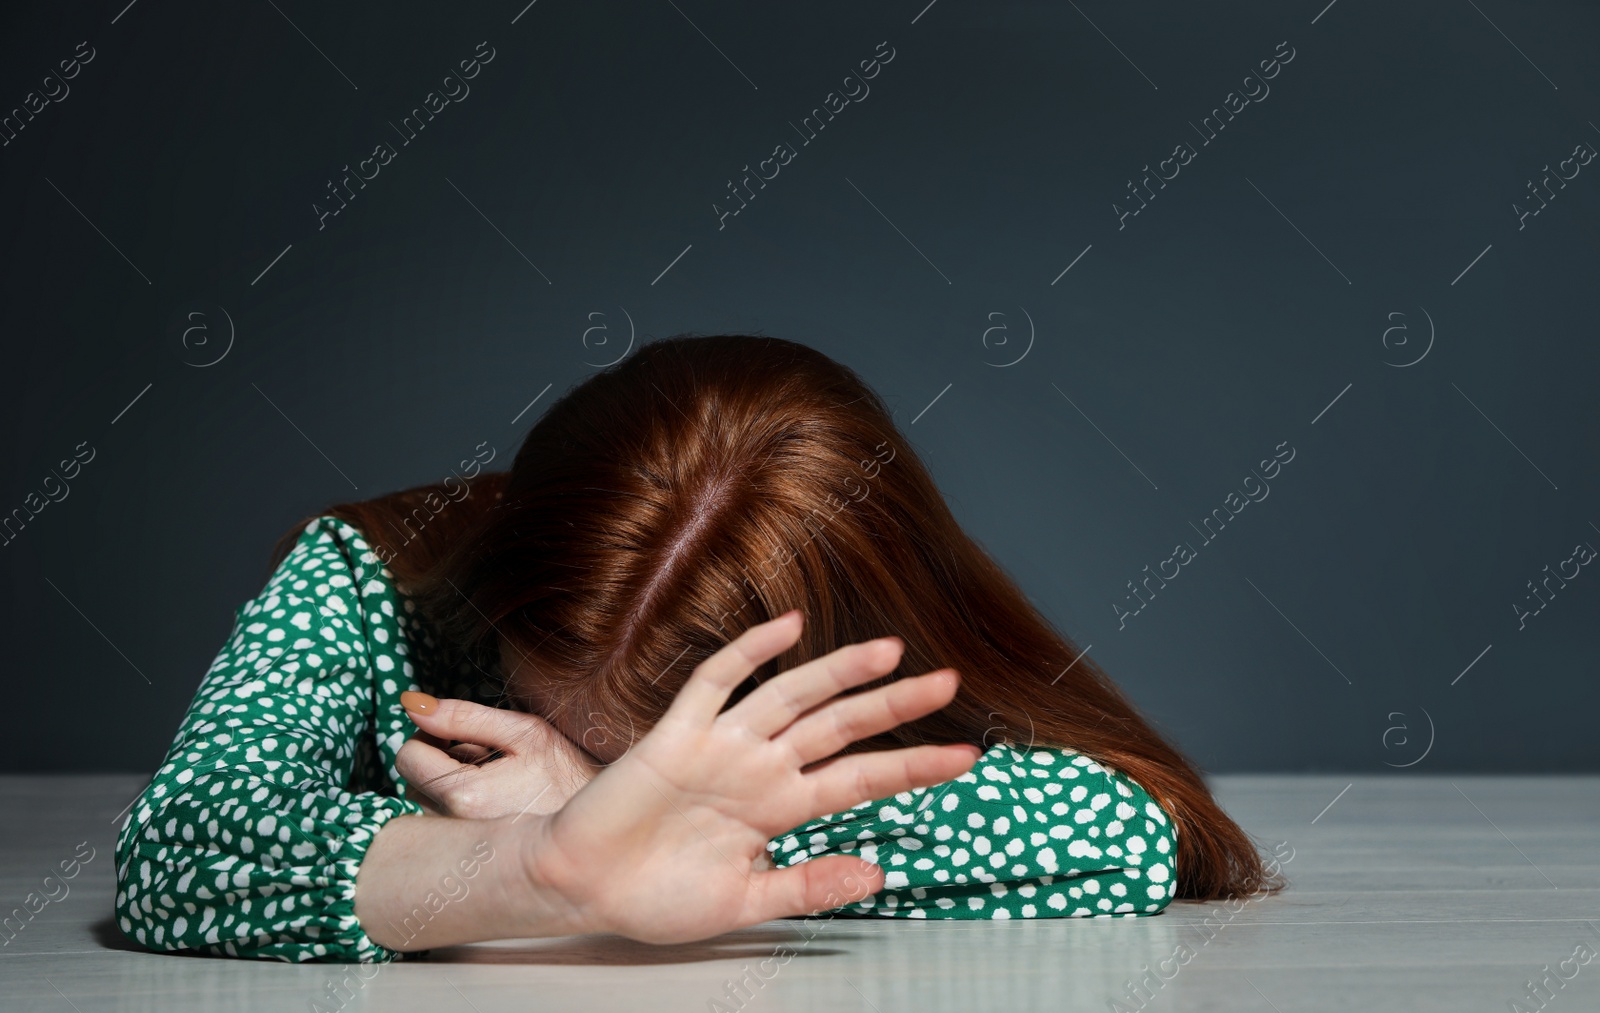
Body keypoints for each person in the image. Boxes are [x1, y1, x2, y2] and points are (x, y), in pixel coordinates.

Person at [114, 334, 1282, 963]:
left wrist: (668, 829)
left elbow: (1119, 828)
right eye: (559, 710)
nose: (597, 762)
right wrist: (543, 863)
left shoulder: (871, 673)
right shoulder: (368, 577)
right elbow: (186, 843)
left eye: (637, 751)